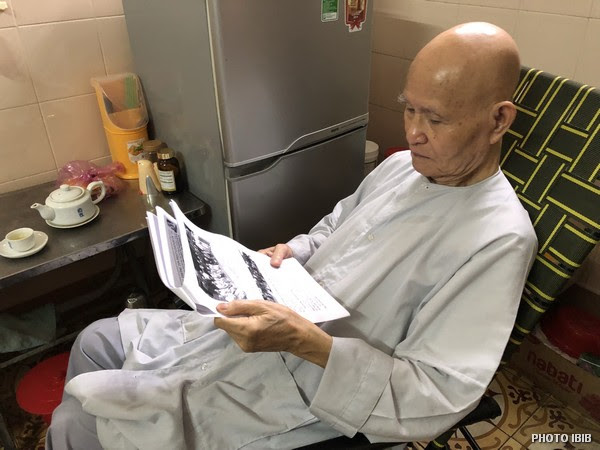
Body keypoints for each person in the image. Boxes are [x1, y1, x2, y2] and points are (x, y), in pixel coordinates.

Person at [46, 22, 537, 450]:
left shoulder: (498, 239)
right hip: (280, 330)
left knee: (78, 426)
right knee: (93, 341)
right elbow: (335, 227)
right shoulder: (401, 169)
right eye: (410, 110)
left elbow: (439, 393)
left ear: (499, 120)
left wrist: (311, 345)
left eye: (435, 119)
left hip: (315, 386)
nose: (413, 133)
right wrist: (292, 251)